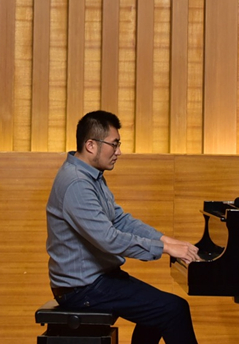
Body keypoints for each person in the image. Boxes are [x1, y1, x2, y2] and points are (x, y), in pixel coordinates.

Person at [46, 110, 200, 344]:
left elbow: (120, 220)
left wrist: (168, 241)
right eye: (114, 144)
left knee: (159, 312)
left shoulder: (90, 176)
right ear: (90, 145)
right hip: (82, 288)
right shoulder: (76, 182)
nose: (118, 152)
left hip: (98, 280)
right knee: (173, 309)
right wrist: (166, 249)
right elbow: (108, 239)